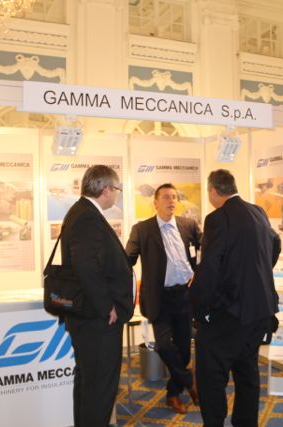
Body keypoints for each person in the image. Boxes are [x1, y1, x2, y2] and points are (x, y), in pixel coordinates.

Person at [190, 169, 281, 426]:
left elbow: (211, 266)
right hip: (260, 309)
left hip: (230, 312)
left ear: (213, 191)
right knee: (247, 371)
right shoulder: (258, 212)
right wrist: (254, 276)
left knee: (211, 375)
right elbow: (275, 245)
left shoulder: (217, 218)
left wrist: (199, 308)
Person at [60, 165, 134, 427]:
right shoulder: (86, 217)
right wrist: (107, 307)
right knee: (99, 389)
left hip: (91, 319)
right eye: (117, 189)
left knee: (90, 384)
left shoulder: (83, 212)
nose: (117, 194)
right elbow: (86, 266)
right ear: (107, 189)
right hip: (97, 321)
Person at [125, 183, 202, 414]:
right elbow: (127, 258)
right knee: (165, 345)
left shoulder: (188, 225)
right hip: (159, 298)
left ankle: (173, 394)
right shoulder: (142, 229)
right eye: (166, 197)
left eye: (175, 197)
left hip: (185, 295)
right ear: (155, 203)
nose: (172, 201)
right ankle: (189, 381)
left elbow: (206, 249)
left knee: (184, 349)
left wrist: (199, 274)